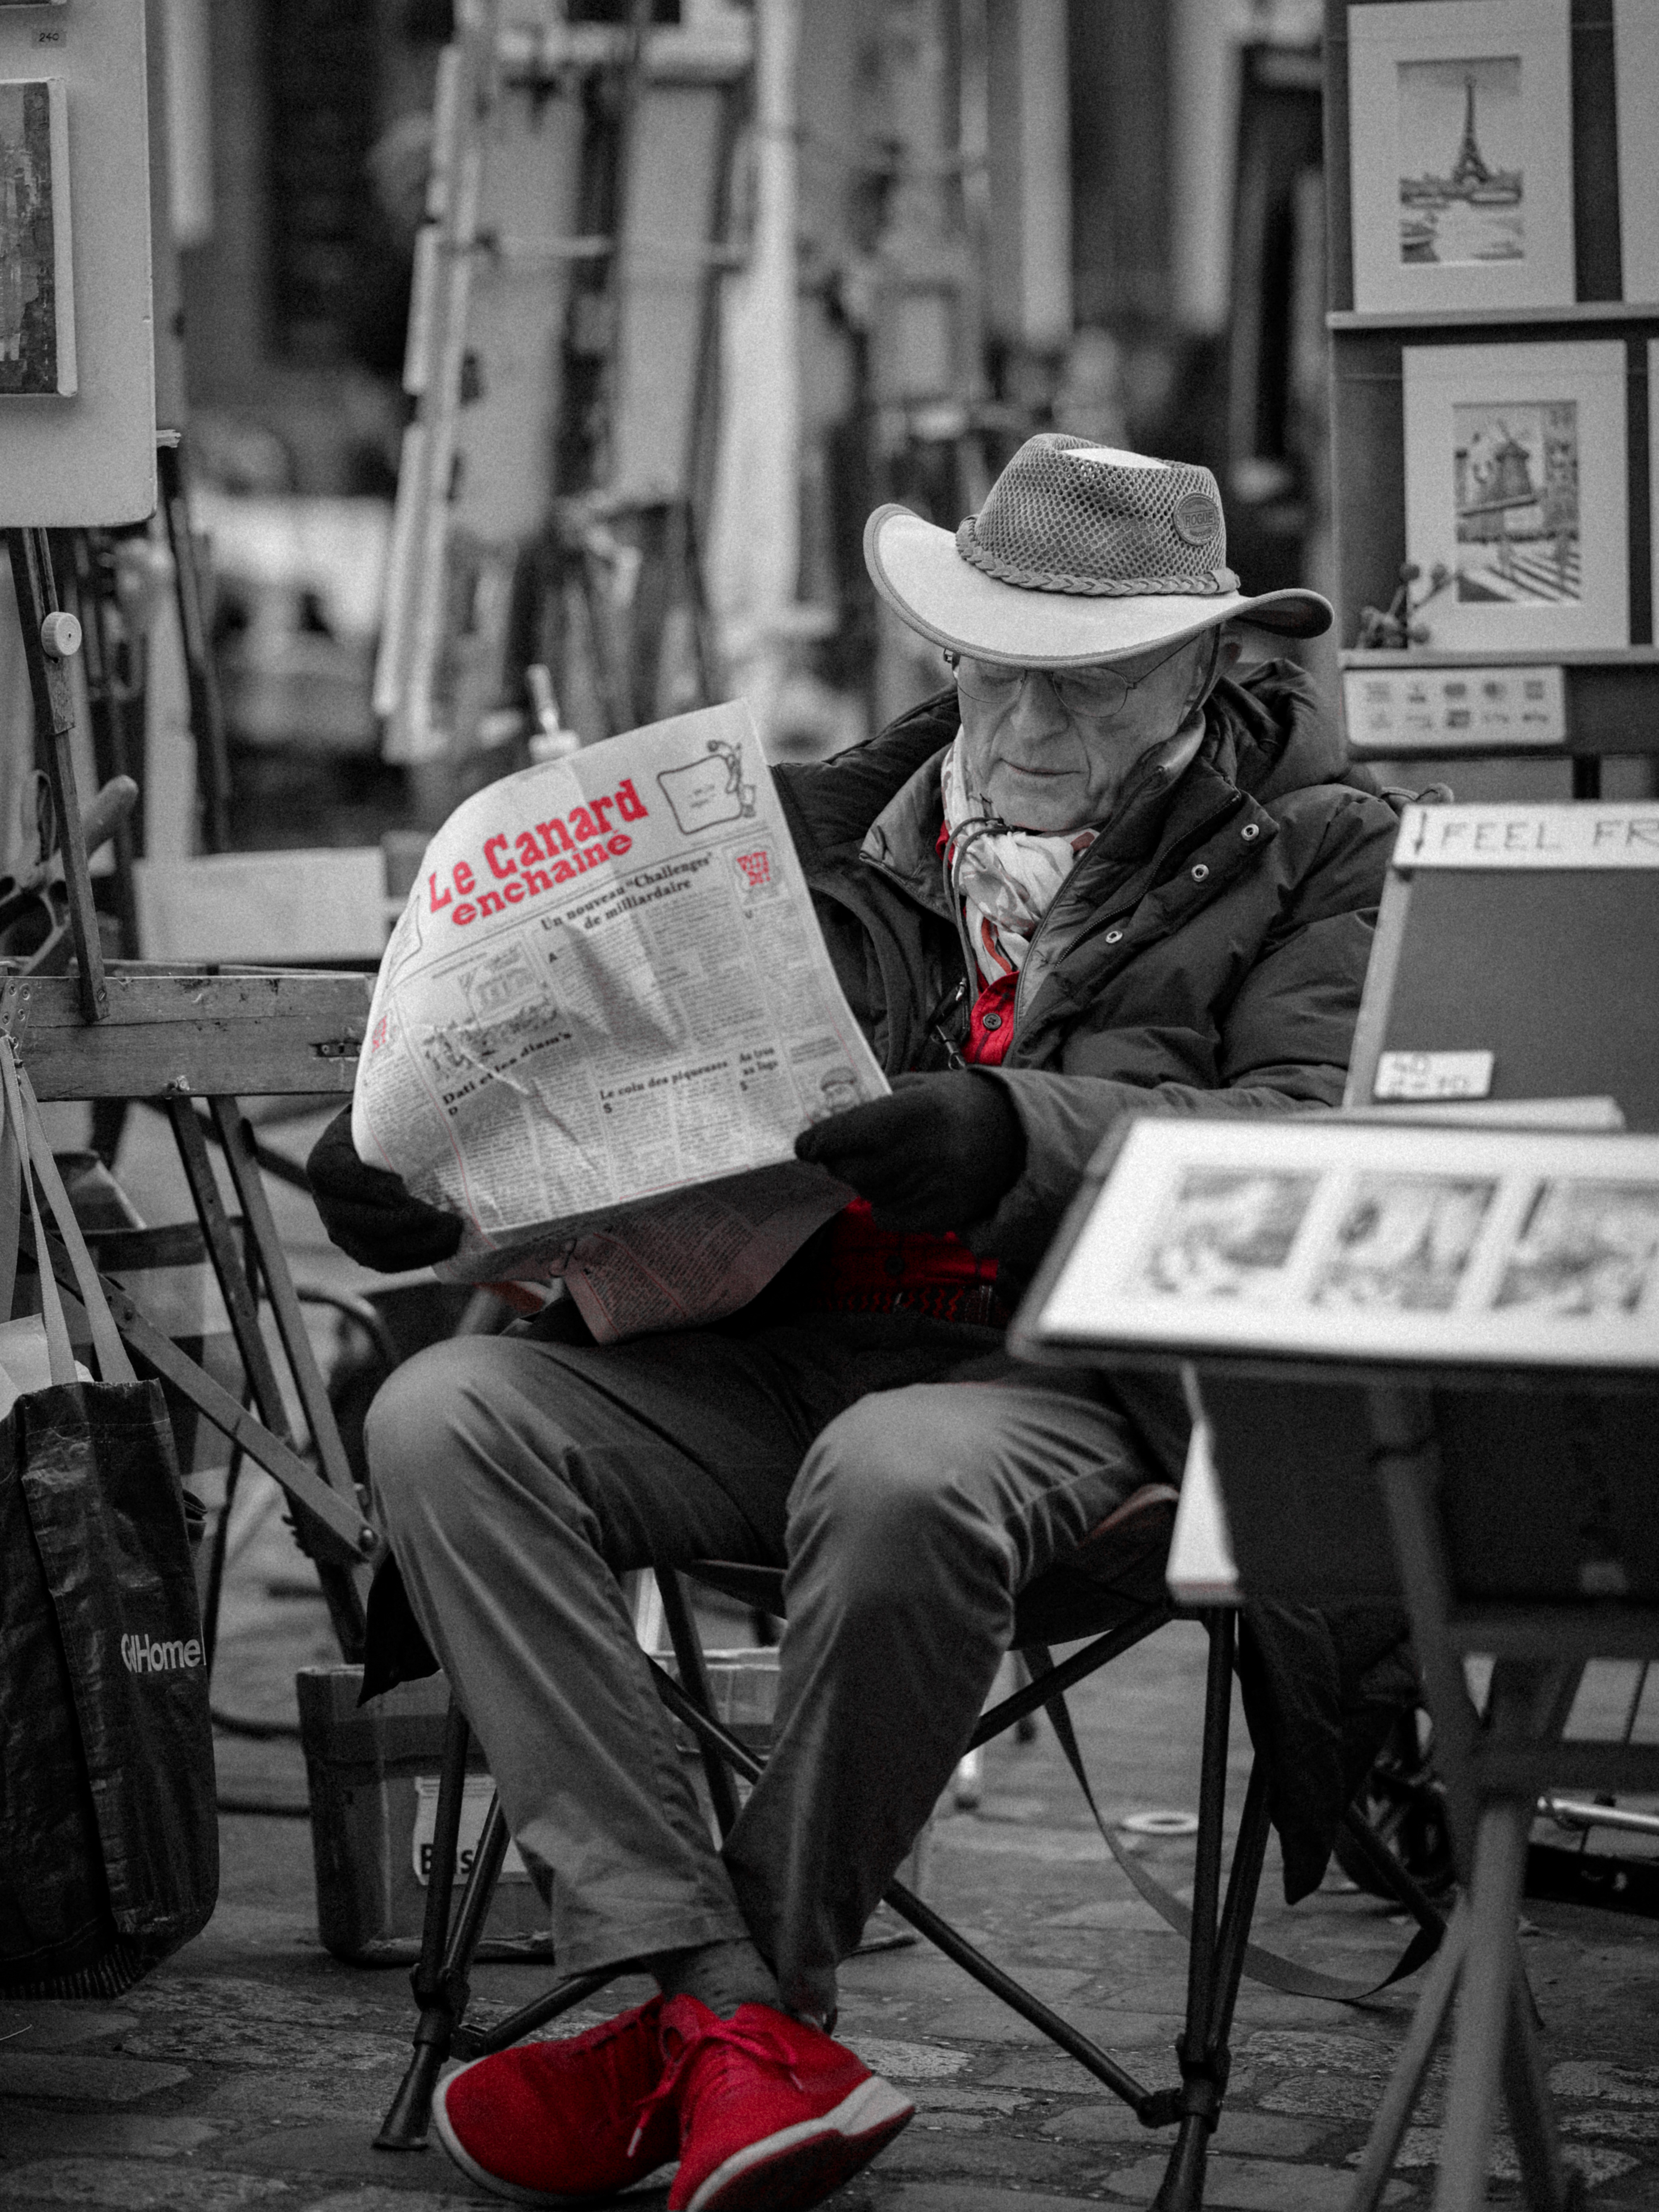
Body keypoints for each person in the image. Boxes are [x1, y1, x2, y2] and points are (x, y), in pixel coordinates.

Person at [308, 437, 1401, 2212]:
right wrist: (429, 1183)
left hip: (1085, 1382)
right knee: (447, 1412)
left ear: (1208, 664)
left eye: (1093, 679)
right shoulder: (803, 830)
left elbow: (1313, 1148)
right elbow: (605, 1105)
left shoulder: (1327, 851)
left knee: (898, 1472)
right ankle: (720, 2005)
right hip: (770, 1349)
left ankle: (729, 2013)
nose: (1028, 722)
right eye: (991, 665)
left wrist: (1010, 1130)